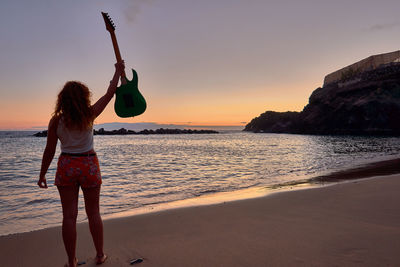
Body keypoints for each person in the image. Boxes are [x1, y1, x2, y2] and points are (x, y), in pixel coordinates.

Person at [37, 61, 125, 267]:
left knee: (69, 216)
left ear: (62, 100)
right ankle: (100, 255)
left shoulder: (56, 120)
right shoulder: (89, 114)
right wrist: (117, 72)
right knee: (93, 212)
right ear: (84, 97)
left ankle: (71, 261)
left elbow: (49, 150)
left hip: (67, 165)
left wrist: (42, 174)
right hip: (88, 164)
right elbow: (109, 94)